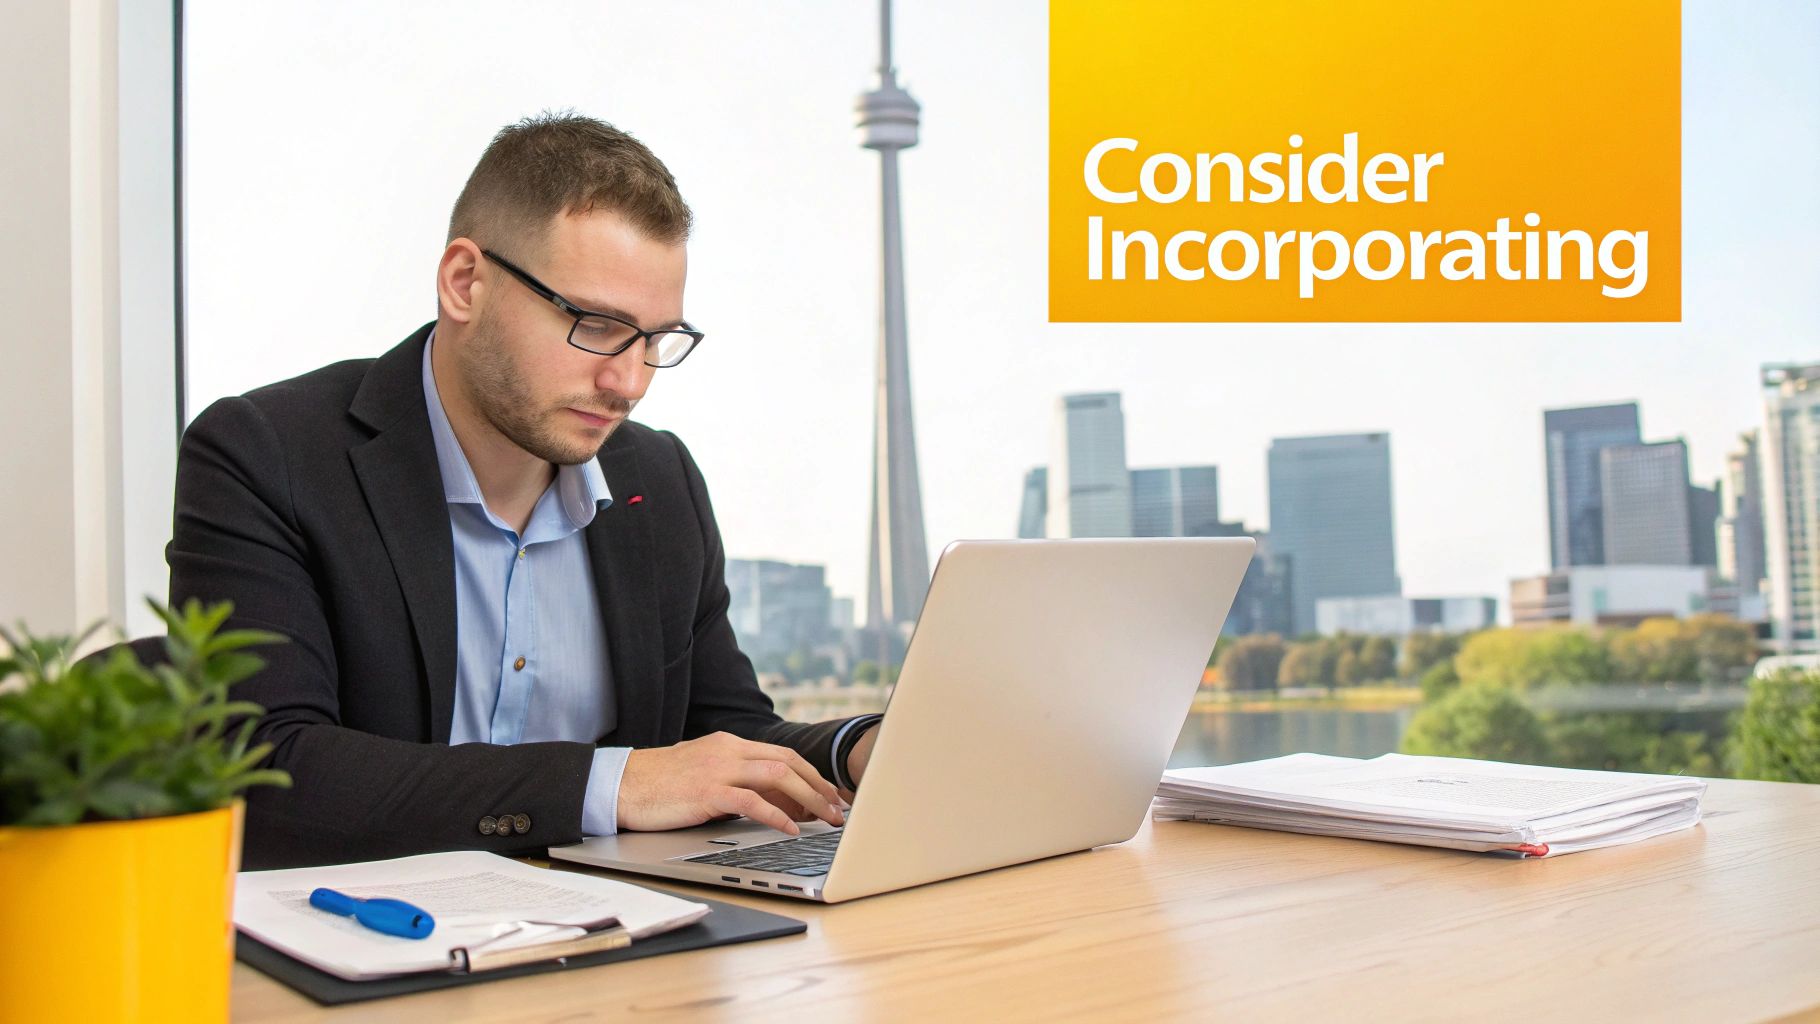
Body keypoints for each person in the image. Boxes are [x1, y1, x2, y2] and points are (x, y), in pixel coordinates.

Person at [169, 113, 881, 869]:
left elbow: (720, 733)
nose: (629, 381)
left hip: (622, 937)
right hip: (374, 940)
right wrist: (611, 785)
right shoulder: (267, 454)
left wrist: (856, 751)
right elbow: (266, 773)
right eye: (597, 324)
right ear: (465, 284)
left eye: (654, 339)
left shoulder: (659, 479)